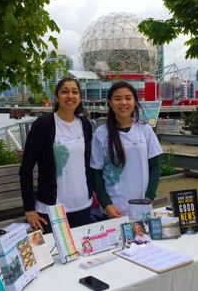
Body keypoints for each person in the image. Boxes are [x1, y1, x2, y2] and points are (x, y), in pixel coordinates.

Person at [19, 77, 93, 233]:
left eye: (75, 92)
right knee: (54, 255)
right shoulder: (44, 124)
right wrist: (29, 210)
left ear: (79, 97)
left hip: (83, 205)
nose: (70, 96)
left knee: (83, 254)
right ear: (57, 96)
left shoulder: (85, 125)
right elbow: (26, 168)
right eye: (65, 91)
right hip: (52, 209)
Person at [90, 81, 163, 219]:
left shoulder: (145, 130)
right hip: (114, 209)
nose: (123, 102)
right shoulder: (101, 133)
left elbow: (155, 166)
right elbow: (96, 173)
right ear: (110, 103)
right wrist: (106, 204)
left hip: (141, 205)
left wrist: (149, 197)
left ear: (134, 101)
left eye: (128, 98)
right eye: (117, 99)